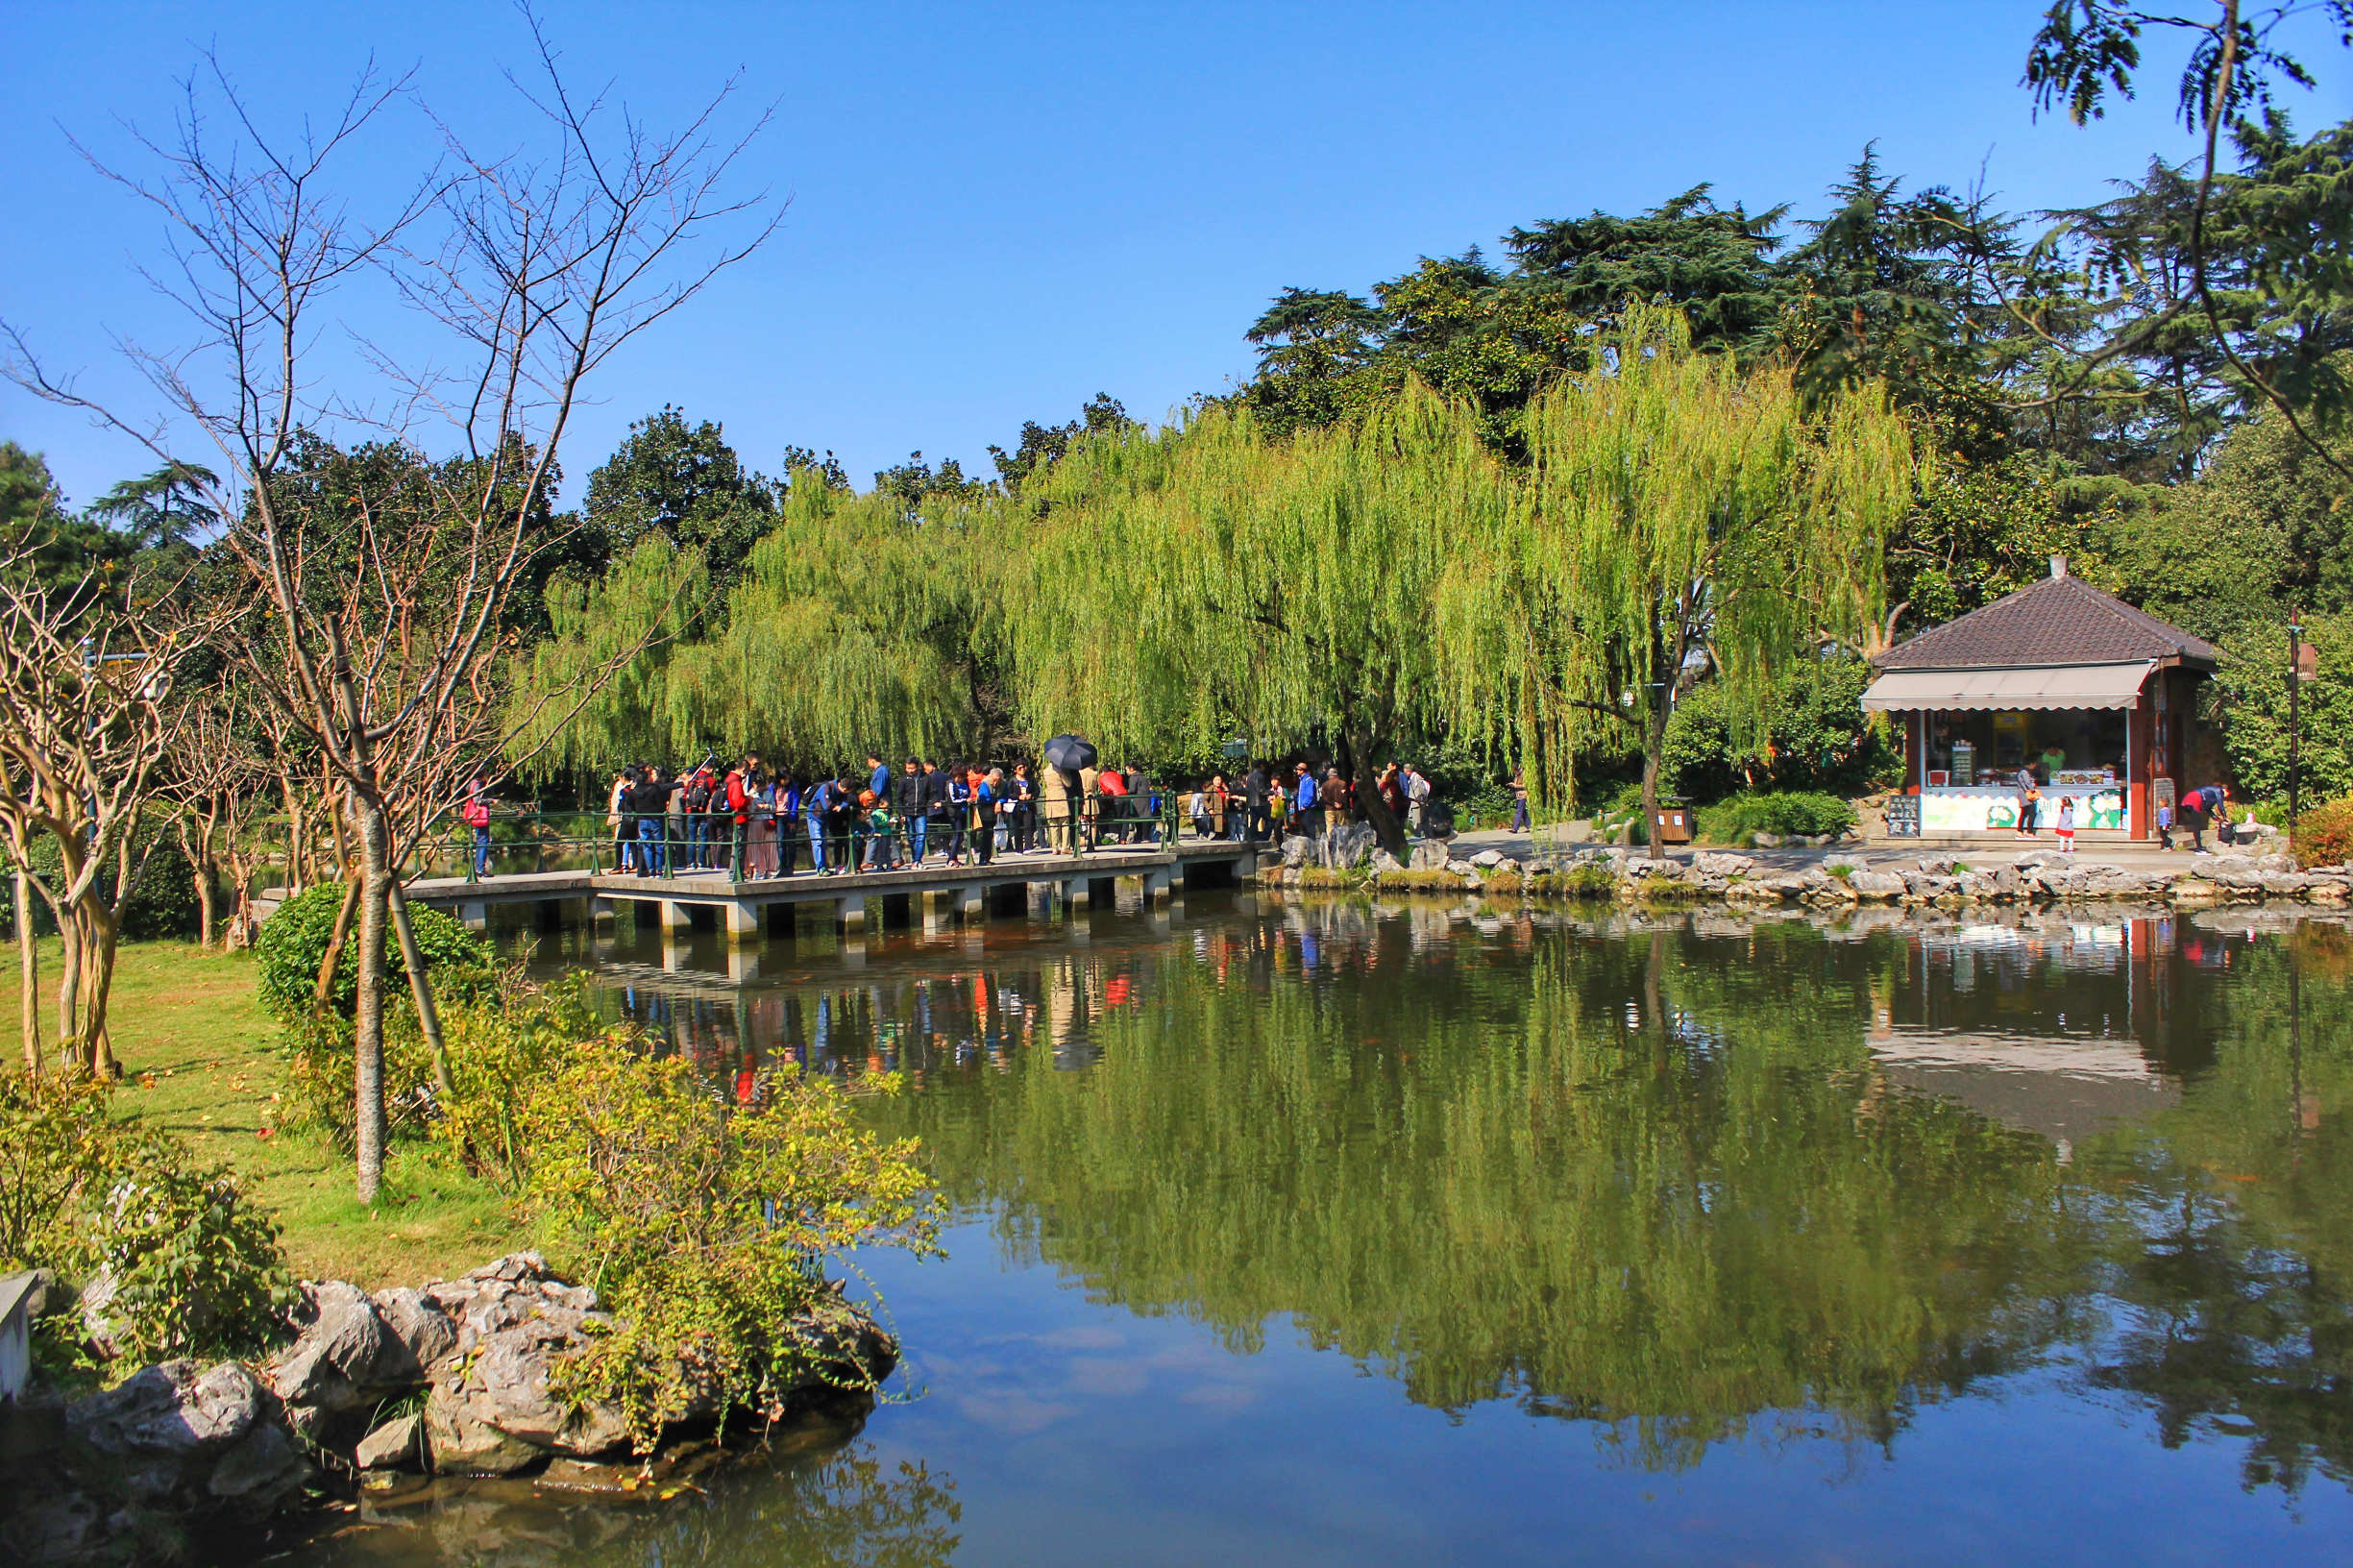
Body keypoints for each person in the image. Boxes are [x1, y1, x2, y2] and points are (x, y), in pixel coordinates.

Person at [2182, 782, 2230, 852]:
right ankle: (2199, 848)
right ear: (2225, 789)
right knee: (2197, 824)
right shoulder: (2219, 791)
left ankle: (2199, 846)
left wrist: (2217, 818)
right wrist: (2225, 817)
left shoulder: (2211, 796)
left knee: (2197, 824)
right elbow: (2220, 806)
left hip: (2188, 800)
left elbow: (2208, 809)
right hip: (2195, 799)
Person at [803, 772, 834, 874]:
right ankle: (820, 867)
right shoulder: (824, 789)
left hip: (822, 817)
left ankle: (823, 866)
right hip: (815, 816)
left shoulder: (829, 788)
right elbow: (826, 805)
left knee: (823, 842)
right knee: (818, 841)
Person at [462, 773, 493, 878]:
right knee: (483, 840)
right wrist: (491, 800)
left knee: (481, 840)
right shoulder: (477, 783)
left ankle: (479, 868)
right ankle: (480, 869)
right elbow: (476, 800)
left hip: (475, 815)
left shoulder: (470, 783)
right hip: (480, 815)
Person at [897, 759, 927, 864]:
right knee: (911, 837)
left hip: (921, 811)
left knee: (921, 835)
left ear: (917, 767)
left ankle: (917, 860)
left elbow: (931, 792)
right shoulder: (903, 780)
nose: (910, 770)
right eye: (908, 768)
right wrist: (901, 813)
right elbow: (899, 798)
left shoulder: (925, 778)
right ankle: (915, 859)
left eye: (912, 768)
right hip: (908, 811)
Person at [1042, 760, 1073, 854]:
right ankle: (1065, 847)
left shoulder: (1045, 771)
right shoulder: (1060, 770)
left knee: (1053, 823)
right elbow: (1068, 783)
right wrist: (1067, 773)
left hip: (1050, 797)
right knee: (1065, 822)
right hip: (1060, 797)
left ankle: (1054, 847)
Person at [1009, 762, 1037, 851]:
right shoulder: (1012, 781)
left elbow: (1037, 790)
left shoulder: (1030, 779)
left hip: (1028, 805)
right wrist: (1018, 797)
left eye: (1024, 767)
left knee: (1028, 826)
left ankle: (1029, 846)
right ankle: (1018, 848)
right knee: (1017, 827)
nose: (1022, 769)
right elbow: (1008, 793)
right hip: (1017, 806)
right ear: (1015, 770)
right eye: (1020, 768)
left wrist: (1031, 795)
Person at [1292, 762, 1318, 838]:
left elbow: (1310, 795)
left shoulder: (1308, 780)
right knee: (1304, 829)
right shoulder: (1302, 780)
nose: (1296, 771)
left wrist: (1305, 805)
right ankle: (1307, 847)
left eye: (1297, 769)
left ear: (1302, 770)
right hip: (1302, 808)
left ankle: (1313, 846)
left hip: (1307, 808)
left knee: (1309, 828)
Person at [1507, 769, 1530, 834]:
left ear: (1517, 769)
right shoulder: (1517, 775)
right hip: (1518, 795)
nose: (1514, 772)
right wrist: (1513, 784)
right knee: (1523, 811)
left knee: (1519, 811)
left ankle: (1515, 828)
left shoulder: (1523, 774)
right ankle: (1529, 826)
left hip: (1523, 795)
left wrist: (1516, 786)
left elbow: (1526, 785)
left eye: (1514, 771)